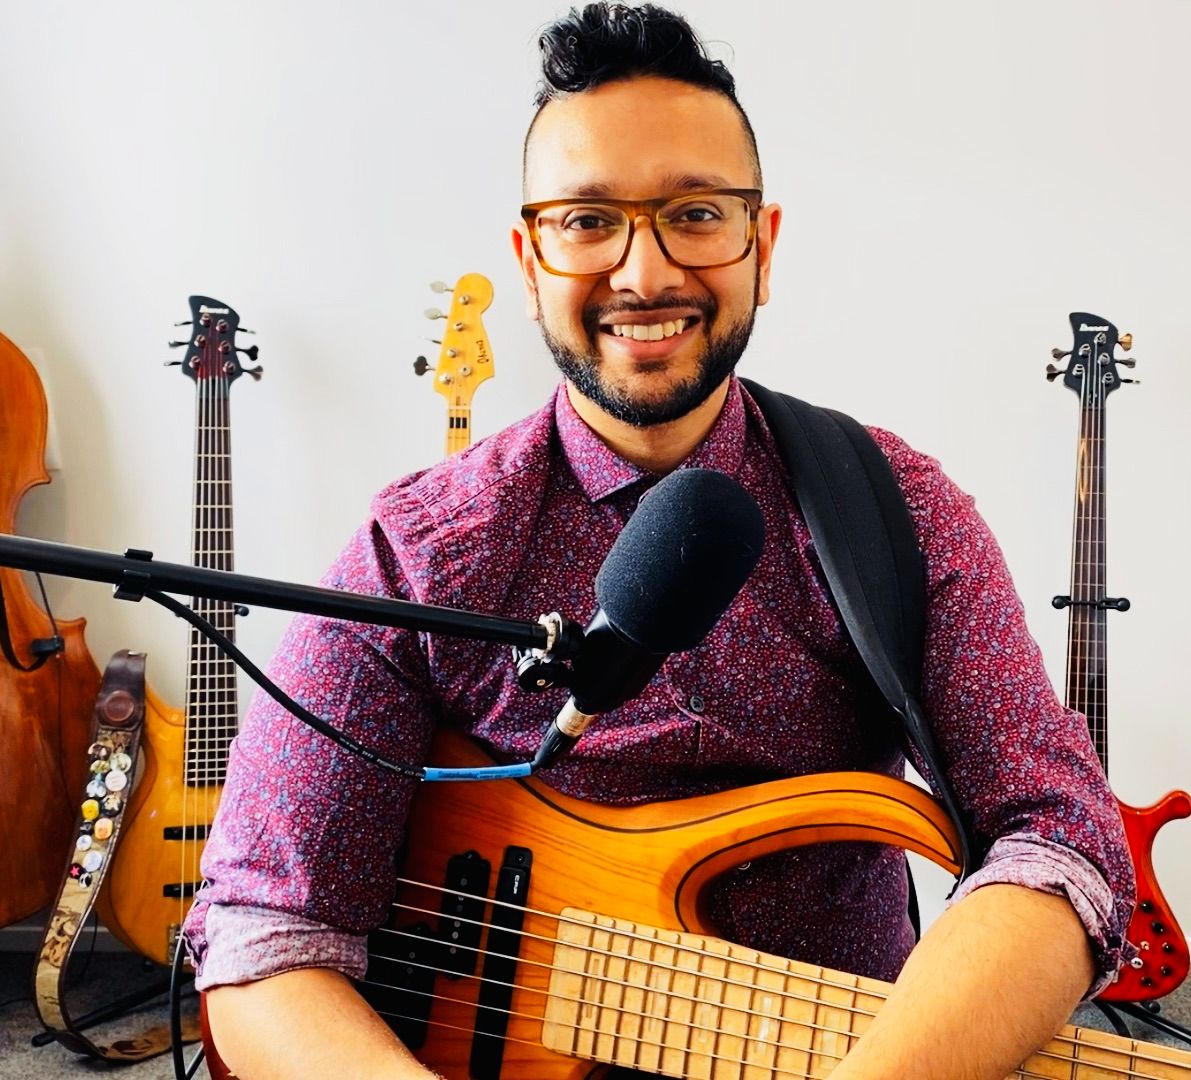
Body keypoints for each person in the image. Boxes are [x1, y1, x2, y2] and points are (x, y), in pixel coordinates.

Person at [185, 4, 1134, 1078]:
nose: (643, 273)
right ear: (529, 262)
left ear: (761, 248)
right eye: (588, 220)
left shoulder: (896, 508)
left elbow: (1062, 841)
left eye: (695, 213)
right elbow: (264, 938)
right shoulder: (417, 549)